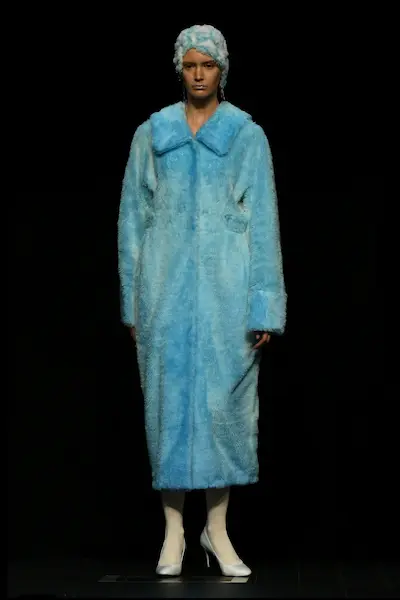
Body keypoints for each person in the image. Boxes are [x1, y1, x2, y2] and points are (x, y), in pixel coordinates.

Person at [117, 24, 287, 577]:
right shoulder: (153, 133)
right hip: (163, 291)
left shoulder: (245, 136)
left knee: (224, 410)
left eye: (207, 65)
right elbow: (132, 222)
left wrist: (264, 305)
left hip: (226, 295)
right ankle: (173, 532)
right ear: (179, 69)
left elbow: (264, 222)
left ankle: (217, 530)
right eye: (189, 65)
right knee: (166, 406)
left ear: (221, 70)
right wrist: (133, 301)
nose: (197, 75)